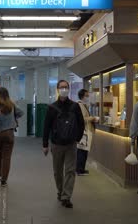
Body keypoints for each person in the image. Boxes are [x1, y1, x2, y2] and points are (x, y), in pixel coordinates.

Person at [43, 80, 85, 208]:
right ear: (57, 89)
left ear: (69, 89)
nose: (64, 89)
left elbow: (81, 123)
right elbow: (46, 127)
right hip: (56, 144)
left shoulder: (75, 106)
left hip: (71, 144)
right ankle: (60, 191)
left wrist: (77, 138)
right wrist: (45, 144)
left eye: (66, 87)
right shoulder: (51, 107)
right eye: (61, 87)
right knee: (58, 171)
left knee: (70, 171)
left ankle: (66, 196)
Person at [0, 87, 24, 187]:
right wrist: (12, 119)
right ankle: (4, 181)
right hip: (9, 134)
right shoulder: (12, 105)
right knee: (6, 157)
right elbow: (21, 113)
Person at [76, 89, 98, 176]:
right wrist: (92, 118)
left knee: (83, 150)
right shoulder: (80, 105)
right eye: (87, 96)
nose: (88, 97)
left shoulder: (83, 105)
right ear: (82, 96)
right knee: (82, 151)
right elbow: (82, 119)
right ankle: (80, 170)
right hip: (84, 131)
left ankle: (81, 168)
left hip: (85, 131)